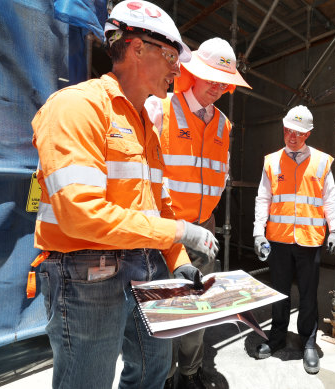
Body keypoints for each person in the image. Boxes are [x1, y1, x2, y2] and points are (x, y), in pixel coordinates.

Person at [30, 2, 219, 388]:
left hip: (147, 267)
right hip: (87, 276)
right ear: (136, 49)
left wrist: (177, 259)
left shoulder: (144, 126)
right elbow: (80, 214)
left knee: (152, 371)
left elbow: (158, 205)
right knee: (88, 380)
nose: (176, 70)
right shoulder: (76, 108)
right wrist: (181, 232)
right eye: (170, 56)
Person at [146, 37, 251, 389]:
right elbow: (145, 171)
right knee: (163, 310)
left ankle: (188, 374)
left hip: (204, 227)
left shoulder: (224, 124)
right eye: (211, 78)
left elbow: (218, 174)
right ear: (193, 74)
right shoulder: (161, 107)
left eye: (225, 81)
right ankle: (158, 376)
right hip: (165, 229)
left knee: (196, 310)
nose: (218, 87)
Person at [253, 105, 335, 374]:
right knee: (278, 292)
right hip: (278, 240)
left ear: (309, 134)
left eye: (299, 133)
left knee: (308, 295)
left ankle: (308, 342)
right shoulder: (272, 161)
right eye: (288, 131)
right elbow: (263, 199)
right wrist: (258, 232)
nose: (292, 137)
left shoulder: (322, 162)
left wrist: (334, 229)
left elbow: (329, 199)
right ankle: (277, 337)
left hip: (309, 240)